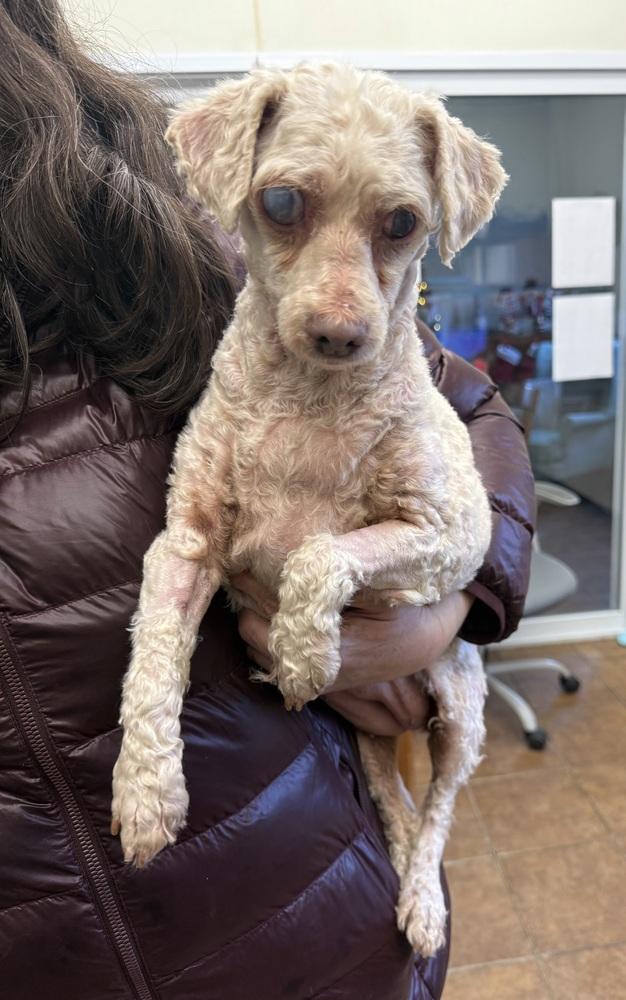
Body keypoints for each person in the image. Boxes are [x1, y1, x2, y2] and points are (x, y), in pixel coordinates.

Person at [0, 2, 535, 998]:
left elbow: (473, 411)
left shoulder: (129, 230)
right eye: (286, 208)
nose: (342, 312)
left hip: (327, 923)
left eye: (396, 228)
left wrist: (453, 601)